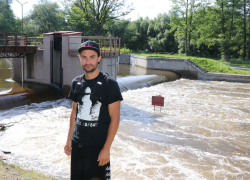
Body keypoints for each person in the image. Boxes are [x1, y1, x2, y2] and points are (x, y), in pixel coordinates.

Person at [64, 41, 123, 180]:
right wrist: (69, 141)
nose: (87, 61)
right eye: (84, 57)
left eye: (92, 57)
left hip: (98, 147)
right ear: (79, 58)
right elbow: (74, 113)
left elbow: (115, 118)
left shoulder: (109, 84)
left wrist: (106, 148)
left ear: (99, 58)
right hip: (78, 145)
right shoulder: (76, 83)